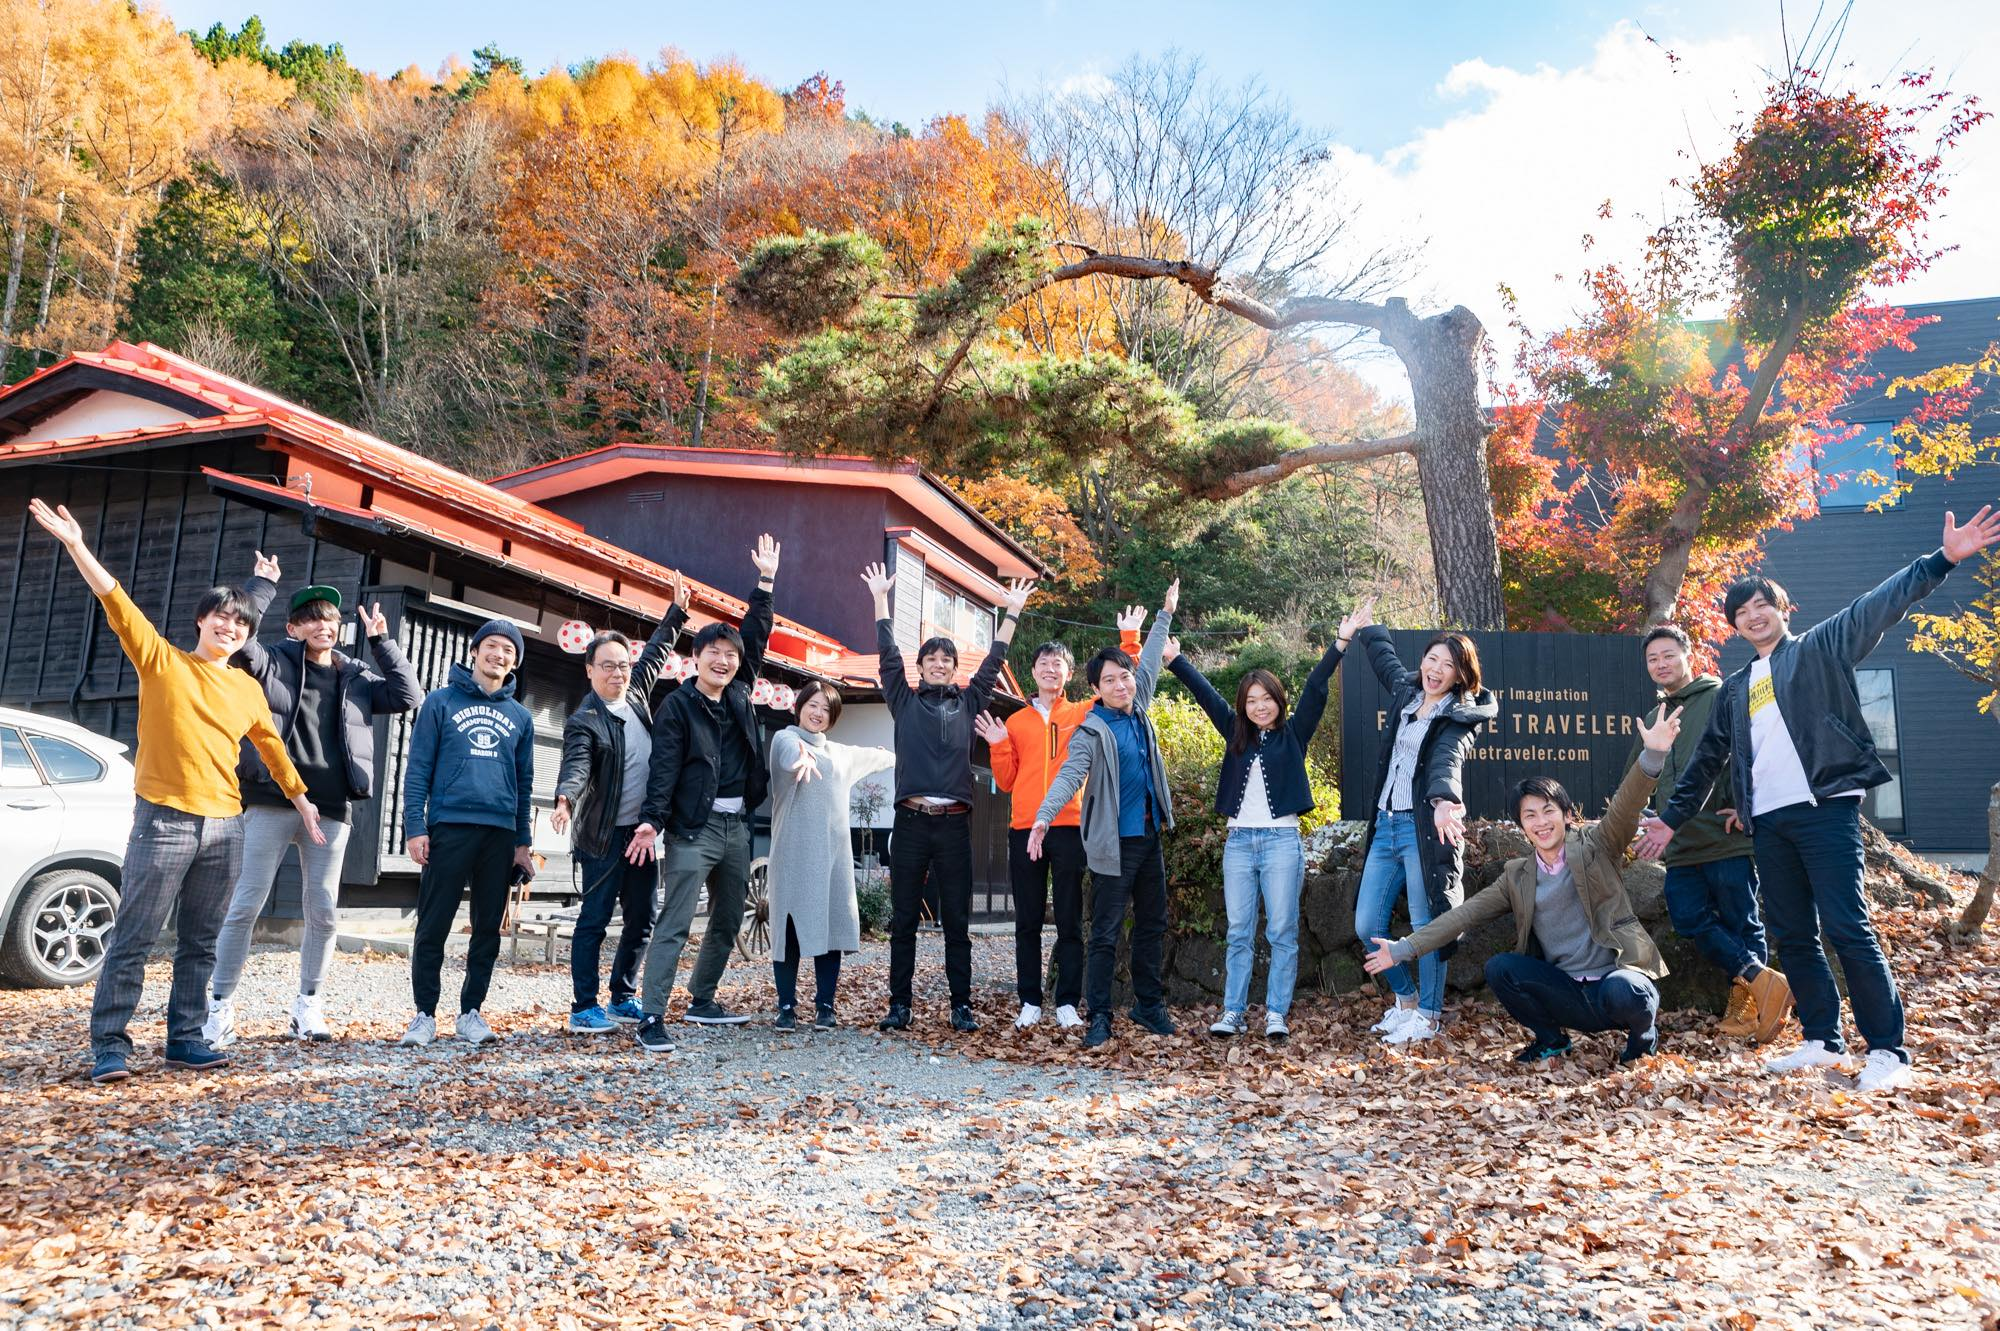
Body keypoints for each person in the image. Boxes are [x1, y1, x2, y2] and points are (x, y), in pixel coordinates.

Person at [1640, 506, 2000, 1093]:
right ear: (1734, 625)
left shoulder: (1819, 647)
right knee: (1791, 932)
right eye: (1742, 611)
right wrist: (1670, 822)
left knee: (1846, 926)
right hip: (1770, 825)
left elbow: (1877, 605)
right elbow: (1707, 761)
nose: (1754, 615)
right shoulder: (1734, 690)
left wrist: (1943, 559)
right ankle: (1822, 1040)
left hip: (1825, 810)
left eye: (1763, 605)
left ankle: (1887, 1050)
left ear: (1782, 610)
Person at [27, 499, 323, 1087]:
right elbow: (116, 601)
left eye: (239, 624)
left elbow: (272, 747)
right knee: (135, 936)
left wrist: (301, 798)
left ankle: (185, 1039)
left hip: (225, 827)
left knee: (200, 942)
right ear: (201, 621)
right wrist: (76, 545)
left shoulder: (246, 688)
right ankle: (110, 1045)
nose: (229, 627)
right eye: (220, 617)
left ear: (245, 635)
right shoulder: (162, 661)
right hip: (163, 820)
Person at [1363, 704, 1685, 1068]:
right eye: (1529, 815)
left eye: (1548, 811)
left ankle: (1643, 1038)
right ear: (1522, 826)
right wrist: (1404, 948)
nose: (1541, 822)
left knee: (1629, 992)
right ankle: (1552, 1040)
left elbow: (1626, 808)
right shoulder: (1518, 876)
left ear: (1566, 815)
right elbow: (1464, 915)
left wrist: (1653, 756)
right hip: (1568, 993)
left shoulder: (1597, 845)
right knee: (1502, 967)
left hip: (1615, 981)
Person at [204, 562, 422, 1046]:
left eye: (332, 618)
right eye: (313, 618)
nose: (325, 625)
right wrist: (261, 584)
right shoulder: (273, 661)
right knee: (247, 902)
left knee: (323, 909)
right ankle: (219, 1006)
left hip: (331, 808)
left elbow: (409, 694)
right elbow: (241, 635)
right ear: (293, 628)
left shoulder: (358, 674)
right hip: (271, 798)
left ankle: (308, 1005)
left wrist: (383, 642)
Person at [1166, 598, 1370, 1041]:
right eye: (1251, 701)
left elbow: (1316, 688)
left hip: (1281, 843)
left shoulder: (1294, 735)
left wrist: (1341, 642)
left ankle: (1276, 1013)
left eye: (1267, 700)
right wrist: (1175, 660)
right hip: (1239, 842)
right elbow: (1206, 695)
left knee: (1281, 931)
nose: (1260, 707)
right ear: (1244, 705)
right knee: (1239, 931)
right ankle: (1233, 1012)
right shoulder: (1235, 732)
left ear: (1278, 701)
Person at [864, 562, 1033, 1033]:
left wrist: (1012, 612)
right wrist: (881, 599)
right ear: (920, 667)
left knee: (956, 921)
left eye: (947, 660)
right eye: (931, 659)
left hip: (955, 825)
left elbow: (994, 662)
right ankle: (900, 1006)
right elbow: (887, 656)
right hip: (913, 823)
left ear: (955, 670)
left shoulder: (969, 701)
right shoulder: (903, 698)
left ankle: (961, 1006)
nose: (939, 664)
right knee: (902, 921)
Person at [629, 536, 783, 1053]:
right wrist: (653, 818)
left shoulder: (740, 693)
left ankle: (702, 998)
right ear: (696, 659)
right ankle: (651, 1015)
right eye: (713, 653)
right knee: (675, 920)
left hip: (737, 826)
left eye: (729, 656)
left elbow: (756, 635)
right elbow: (664, 766)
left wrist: (764, 583)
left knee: (727, 915)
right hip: (693, 827)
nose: (723, 661)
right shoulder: (678, 705)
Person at [973, 614, 1144, 1031]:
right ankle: (1030, 999)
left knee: (1069, 918)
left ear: (1069, 673)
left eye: (1059, 665)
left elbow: (1125, 686)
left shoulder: (1084, 712)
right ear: (1033, 671)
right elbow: (1008, 780)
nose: (1051, 670)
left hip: (1070, 826)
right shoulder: (1015, 722)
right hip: (1024, 830)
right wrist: (997, 746)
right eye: (1043, 664)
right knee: (1027, 919)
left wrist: (1130, 638)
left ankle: (1067, 1000)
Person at [1028, 579, 1178, 1051]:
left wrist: (1166, 612)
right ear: (1095, 687)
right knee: (1106, 934)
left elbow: (1150, 658)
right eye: (1110, 679)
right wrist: (1043, 817)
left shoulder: (1140, 709)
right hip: (1114, 844)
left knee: (1153, 924)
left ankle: (1148, 1005)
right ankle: (1098, 1017)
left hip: (1149, 837)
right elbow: (1069, 776)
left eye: (1125, 676)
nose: (1121, 683)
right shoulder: (1091, 729)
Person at [1627, 624, 1789, 1043]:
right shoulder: (1653, 717)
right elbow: (1640, 777)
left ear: (1687, 655)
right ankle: (1762, 980)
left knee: (1742, 921)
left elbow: (1759, 750)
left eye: (1668, 655)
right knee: (1687, 918)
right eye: (1652, 659)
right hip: (1678, 844)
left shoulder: (1722, 695)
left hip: (1724, 835)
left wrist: (1747, 802)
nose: (1661, 664)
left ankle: (1749, 1009)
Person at [1348, 614, 1498, 1046]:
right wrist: (1369, 629)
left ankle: (1429, 1015)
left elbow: (1445, 761)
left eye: (1447, 665)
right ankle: (1407, 1001)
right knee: (1365, 924)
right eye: (1432, 659)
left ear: (1459, 675)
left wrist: (1442, 801)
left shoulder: (1459, 718)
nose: (1435, 669)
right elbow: (1386, 662)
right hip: (1385, 827)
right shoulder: (1407, 693)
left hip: (1421, 832)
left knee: (1425, 923)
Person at [550, 576, 690, 1034]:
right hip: (602, 835)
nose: (618, 672)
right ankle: (583, 1006)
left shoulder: (635, 695)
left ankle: (622, 995)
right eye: (607, 665)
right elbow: (577, 765)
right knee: (594, 917)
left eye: (622, 665)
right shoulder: (584, 720)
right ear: (589, 670)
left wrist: (676, 613)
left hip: (642, 832)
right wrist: (565, 799)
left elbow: (655, 655)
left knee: (644, 916)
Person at [398, 617, 537, 1049]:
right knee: (433, 923)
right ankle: (424, 1014)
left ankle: (471, 1012)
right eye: (492, 646)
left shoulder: (520, 717)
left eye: (508, 650)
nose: (499, 655)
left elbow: (524, 783)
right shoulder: (440, 703)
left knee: (486, 928)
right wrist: (415, 826)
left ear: (514, 662)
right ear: (475, 651)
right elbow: (417, 768)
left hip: (498, 834)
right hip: (449, 826)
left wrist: (522, 843)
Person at [765, 681, 897, 1030]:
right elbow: (788, 756)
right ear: (800, 706)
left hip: (834, 855)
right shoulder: (785, 739)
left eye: (826, 708)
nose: (818, 713)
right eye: (813, 705)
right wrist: (801, 756)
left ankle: (825, 1005)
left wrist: (893, 755)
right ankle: (786, 1007)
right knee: (789, 929)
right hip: (793, 853)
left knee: (831, 926)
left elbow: (873, 756)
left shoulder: (839, 753)